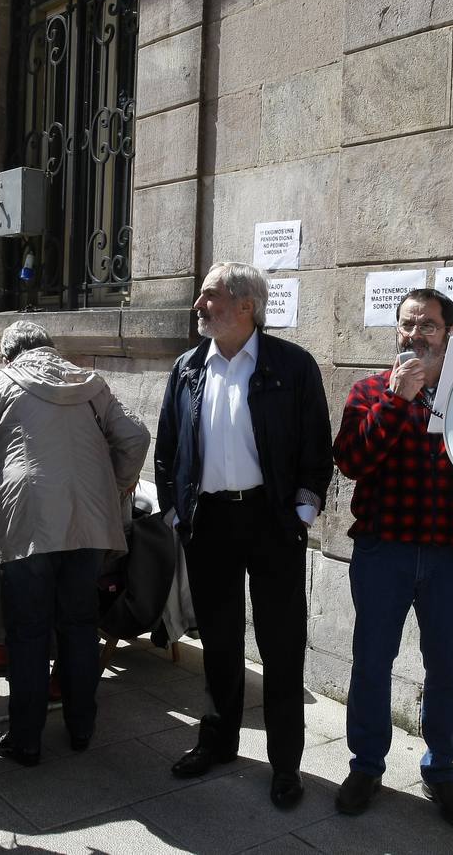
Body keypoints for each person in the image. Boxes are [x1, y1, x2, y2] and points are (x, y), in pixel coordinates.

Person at [154, 261, 333, 809]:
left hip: (272, 521)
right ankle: (219, 740)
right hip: (208, 523)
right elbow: (167, 450)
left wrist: (302, 511)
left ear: (245, 306)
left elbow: (315, 447)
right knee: (219, 641)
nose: (198, 306)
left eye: (209, 297)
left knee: (281, 646)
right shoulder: (188, 368)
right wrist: (175, 513)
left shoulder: (292, 366)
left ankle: (285, 765)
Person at [0, 320, 149, 766]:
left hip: (29, 521)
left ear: (9, 355)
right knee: (80, 625)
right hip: (88, 523)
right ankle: (81, 727)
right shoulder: (90, 382)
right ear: (50, 349)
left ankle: (26, 738)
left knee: (27, 633)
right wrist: (114, 486)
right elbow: (135, 437)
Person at [330, 288, 453, 827]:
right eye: (407, 325)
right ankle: (366, 766)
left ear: (448, 332)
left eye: (428, 326)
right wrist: (396, 401)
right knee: (372, 662)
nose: (416, 335)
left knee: (448, 668)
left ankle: (442, 770)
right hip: (384, 551)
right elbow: (352, 461)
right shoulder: (370, 389)